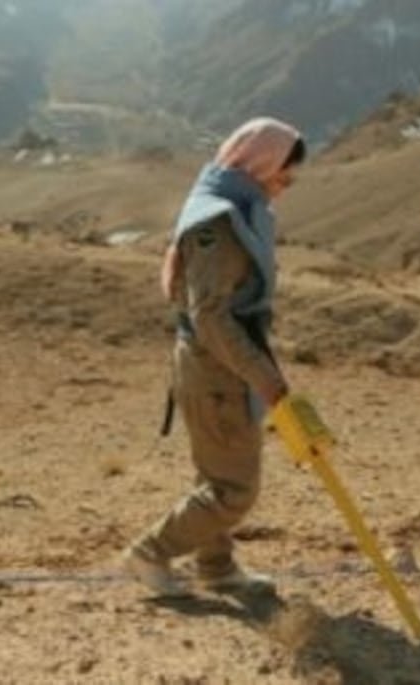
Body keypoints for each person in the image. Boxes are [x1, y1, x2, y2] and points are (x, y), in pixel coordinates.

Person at [124, 117, 307, 596]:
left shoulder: (232, 205)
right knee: (234, 490)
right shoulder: (220, 222)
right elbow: (212, 317)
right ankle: (151, 552)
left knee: (216, 474)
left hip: (213, 366)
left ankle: (217, 567)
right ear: (260, 164)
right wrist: (264, 377)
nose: (285, 187)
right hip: (216, 371)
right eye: (283, 175)